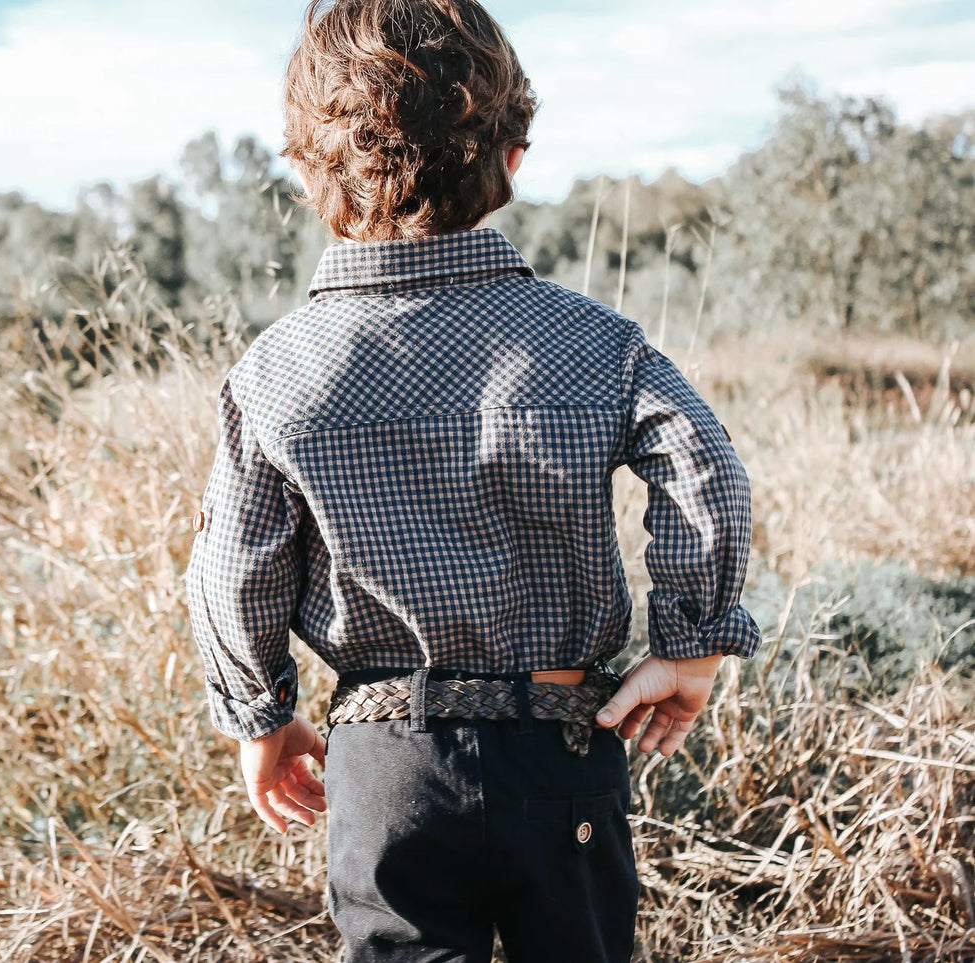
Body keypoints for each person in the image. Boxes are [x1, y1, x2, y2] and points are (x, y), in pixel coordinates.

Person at [180, 1, 763, 960]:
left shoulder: (276, 370)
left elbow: (231, 570)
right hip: (564, 746)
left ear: (305, 170)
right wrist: (691, 644)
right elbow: (706, 473)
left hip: (386, 765)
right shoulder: (595, 342)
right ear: (513, 157)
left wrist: (261, 714)